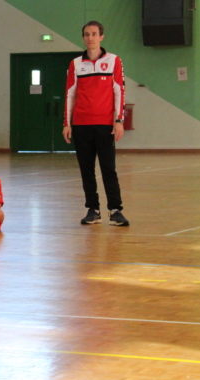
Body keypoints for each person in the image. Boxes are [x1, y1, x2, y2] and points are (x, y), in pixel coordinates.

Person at [64, 21, 129, 226]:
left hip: (105, 125)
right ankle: (93, 210)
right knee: (86, 170)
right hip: (81, 125)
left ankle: (115, 210)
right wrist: (67, 123)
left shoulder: (114, 60)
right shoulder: (75, 64)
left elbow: (119, 91)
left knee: (108, 169)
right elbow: (70, 94)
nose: (90, 38)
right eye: (86, 34)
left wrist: (119, 120)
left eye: (93, 34)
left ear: (101, 37)